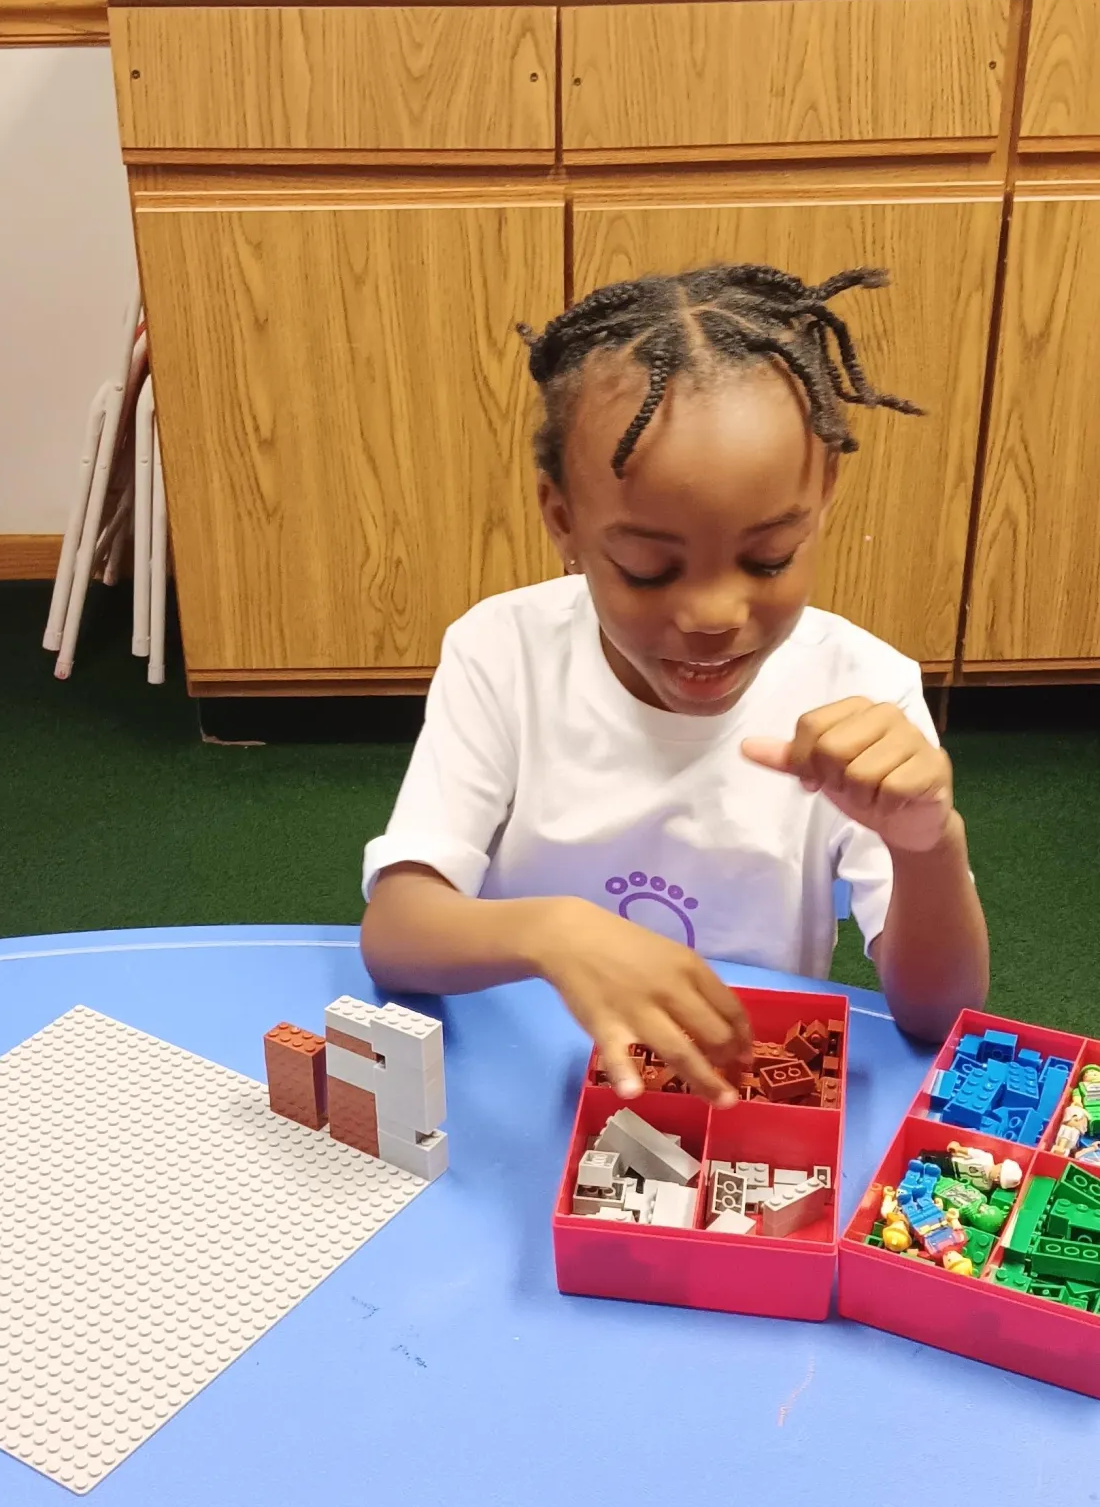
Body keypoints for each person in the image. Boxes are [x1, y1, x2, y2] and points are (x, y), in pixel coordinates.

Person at [361, 261, 988, 1089]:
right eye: (650, 569)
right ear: (564, 521)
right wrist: (554, 932)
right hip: (529, 1074)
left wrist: (927, 845)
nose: (713, 614)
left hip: (741, 1092)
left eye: (768, 559)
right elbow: (397, 932)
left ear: (825, 493)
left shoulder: (864, 686)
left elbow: (939, 1016)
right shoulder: (503, 651)